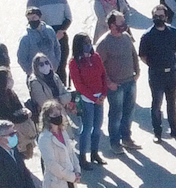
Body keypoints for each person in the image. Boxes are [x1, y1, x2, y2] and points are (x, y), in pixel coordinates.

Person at [139, 6, 176, 141]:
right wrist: (154, 65)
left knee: (172, 102)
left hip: (171, 73)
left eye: (161, 16)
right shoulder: (147, 35)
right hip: (156, 75)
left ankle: (174, 129)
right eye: (156, 16)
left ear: (166, 17)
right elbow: (143, 56)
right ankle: (157, 132)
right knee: (156, 104)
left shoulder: (173, 32)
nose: (159, 18)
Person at [98, 11, 141, 152]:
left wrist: (137, 71)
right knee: (116, 114)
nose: (124, 25)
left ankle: (127, 139)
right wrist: (109, 82)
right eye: (120, 23)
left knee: (129, 112)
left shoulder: (127, 37)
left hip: (130, 82)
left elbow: (134, 54)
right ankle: (115, 142)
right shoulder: (104, 43)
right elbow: (100, 67)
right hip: (116, 86)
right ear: (112, 25)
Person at [68, 35, 108, 167]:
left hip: (99, 98)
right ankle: (82, 156)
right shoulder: (74, 62)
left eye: (90, 42)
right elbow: (79, 85)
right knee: (87, 127)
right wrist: (94, 98)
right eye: (85, 43)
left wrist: (103, 93)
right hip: (87, 99)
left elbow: (103, 75)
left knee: (97, 127)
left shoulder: (95, 56)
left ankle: (94, 153)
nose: (89, 45)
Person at [26, 50, 69, 117]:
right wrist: (62, 100)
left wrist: (58, 100)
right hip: (48, 116)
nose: (45, 65)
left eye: (46, 62)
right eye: (41, 64)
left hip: (62, 113)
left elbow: (68, 95)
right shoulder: (35, 82)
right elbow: (44, 104)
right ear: (36, 67)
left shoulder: (55, 77)